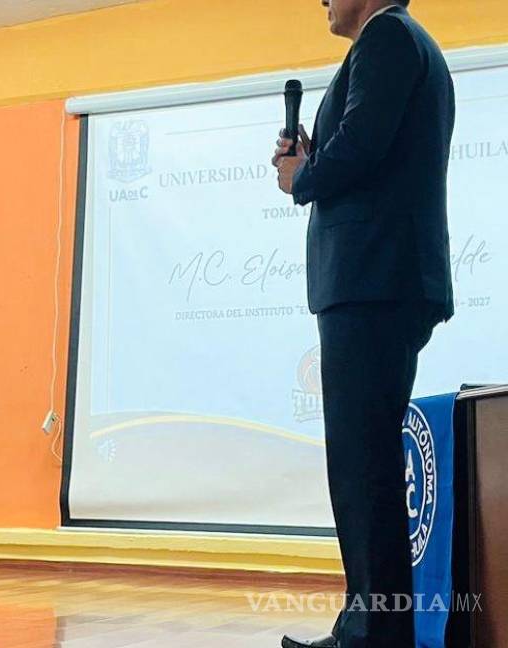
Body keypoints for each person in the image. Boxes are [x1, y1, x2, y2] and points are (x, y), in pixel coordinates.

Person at [272, 1, 455, 646]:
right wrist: (319, 160)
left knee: (364, 469)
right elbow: (370, 149)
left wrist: (302, 176)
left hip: (374, 282)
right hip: (379, 280)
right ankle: (367, 628)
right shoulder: (395, 43)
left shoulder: (388, 38)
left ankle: (374, 636)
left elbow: (362, 148)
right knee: (363, 466)